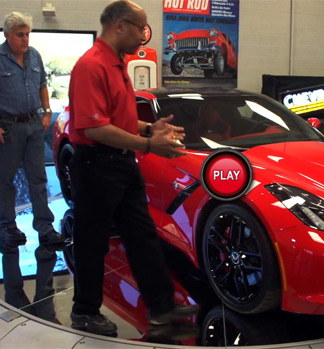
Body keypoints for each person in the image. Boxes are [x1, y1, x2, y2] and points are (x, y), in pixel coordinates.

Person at [67, 0, 199, 338]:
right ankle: (85, 311)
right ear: (119, 25)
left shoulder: (116, 64)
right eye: (140, 27)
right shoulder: (91, 66)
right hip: (97, 164)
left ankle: (162, 307)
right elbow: (94, 128)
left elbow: (115, 118)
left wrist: (146, 129)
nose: (144, 35)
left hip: (121, 162)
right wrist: (149, 146)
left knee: (142, 236)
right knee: (92, 242)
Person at [0, 12, 64, 311]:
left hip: (34, 126)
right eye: (20, 35)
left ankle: (44, 228)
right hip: (5, 129)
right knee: (6, 181)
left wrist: (47, 110)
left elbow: (43, 84)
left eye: (28, 34)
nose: (26, 40)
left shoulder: (34, 55)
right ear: (8, 35)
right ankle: (8, 228)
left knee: (38, 179)